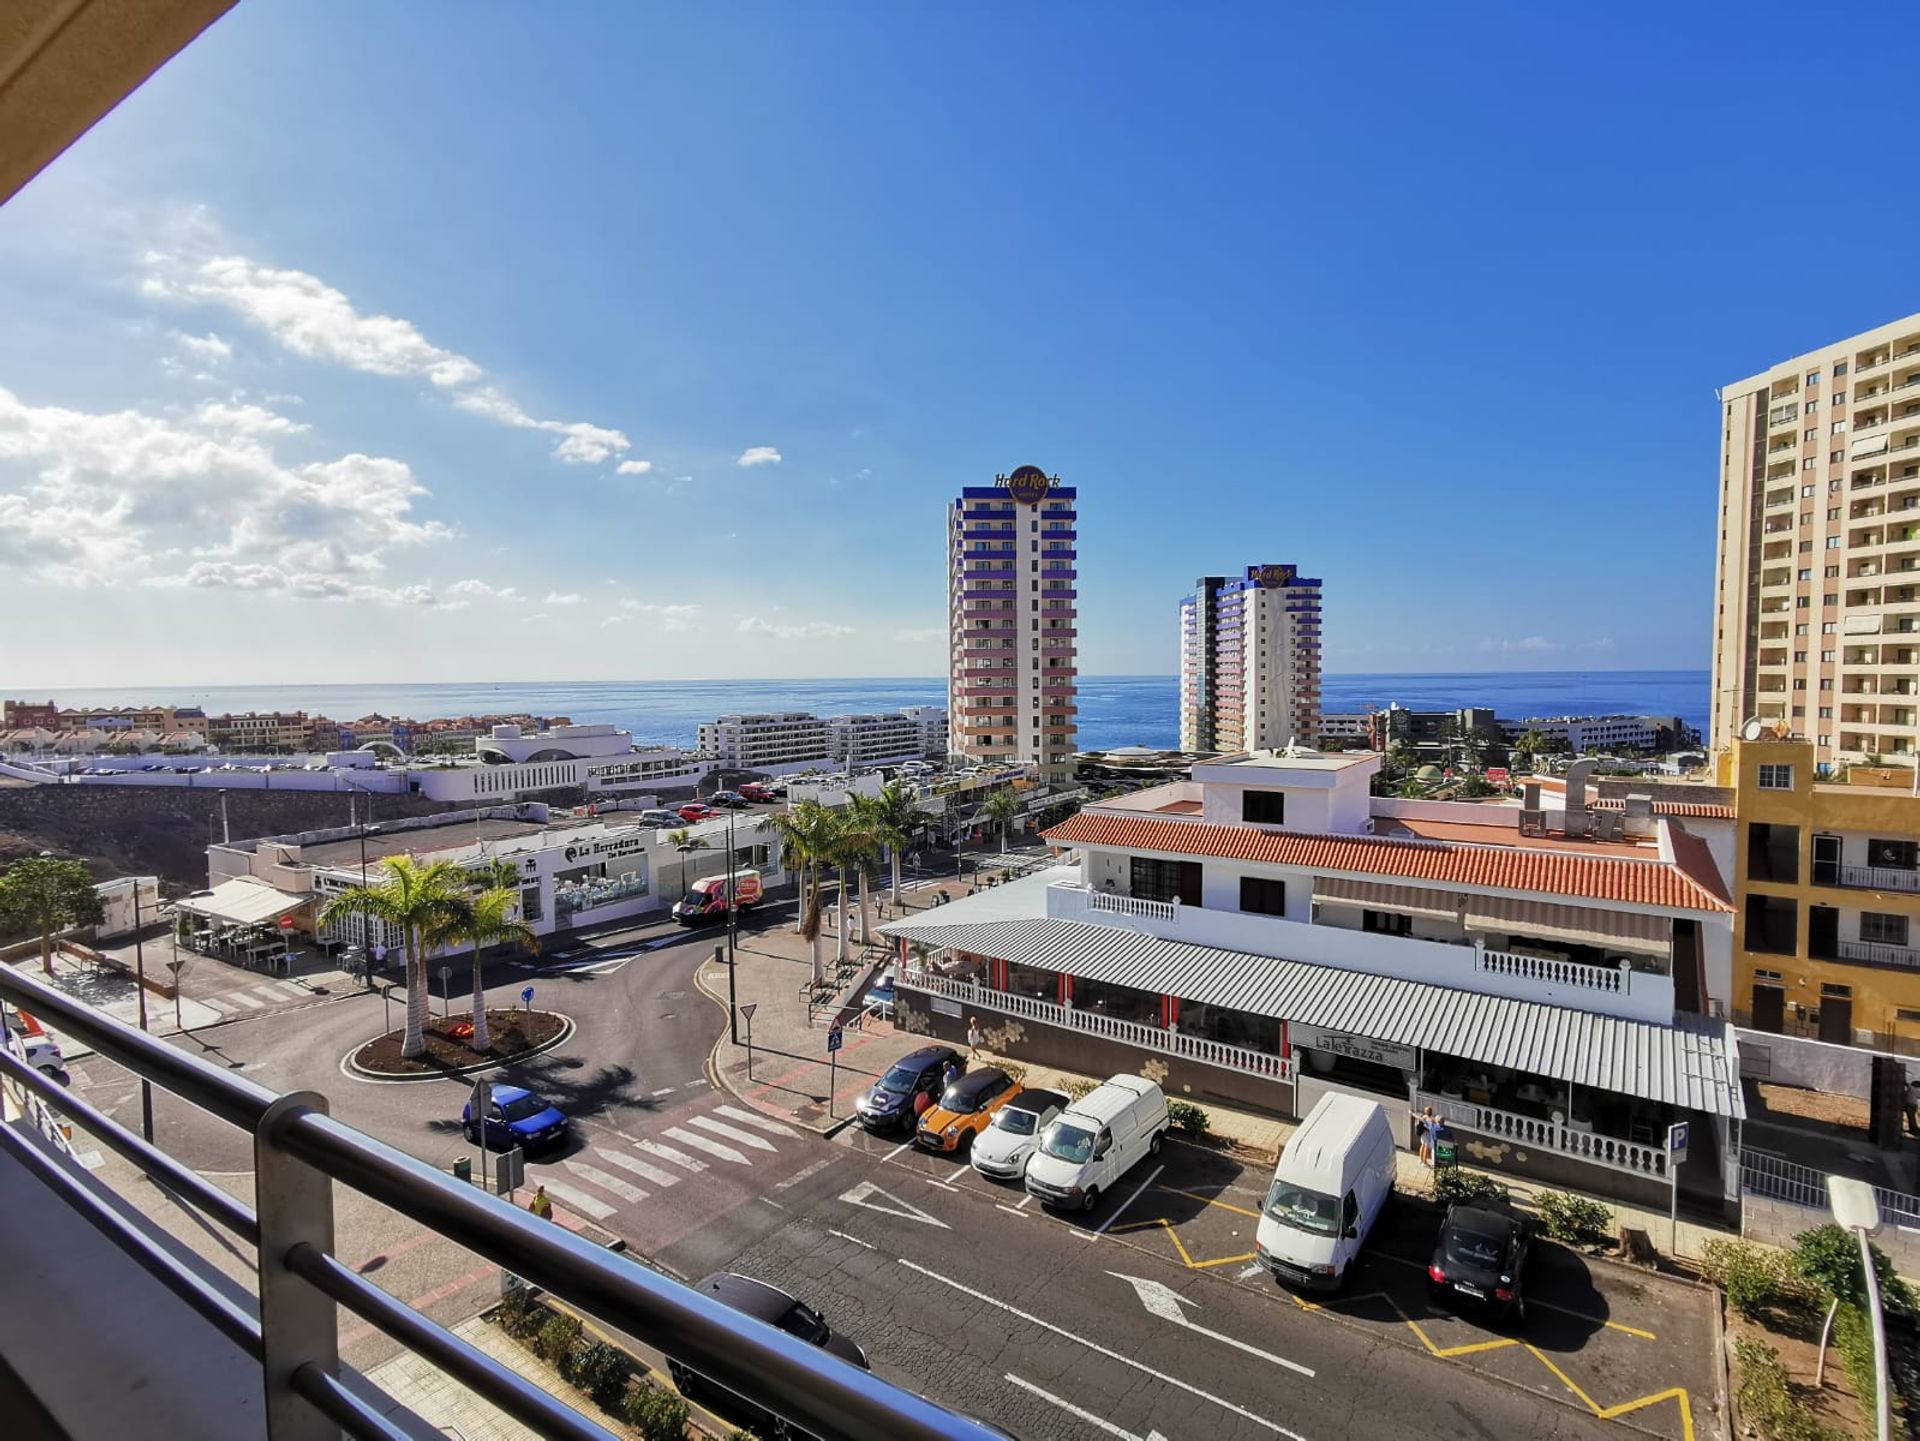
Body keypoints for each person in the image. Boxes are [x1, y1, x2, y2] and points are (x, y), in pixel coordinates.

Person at [1906, 1074, 1920, 1139]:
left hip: (1910, 1105)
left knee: (1911, 1118)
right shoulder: (1917, 1091)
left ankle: (1914, 1131)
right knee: (1911, 1118)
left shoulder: (1911, 1088)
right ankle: (1912, 1129)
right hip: (1914, 1106)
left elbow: (1906, 1083)